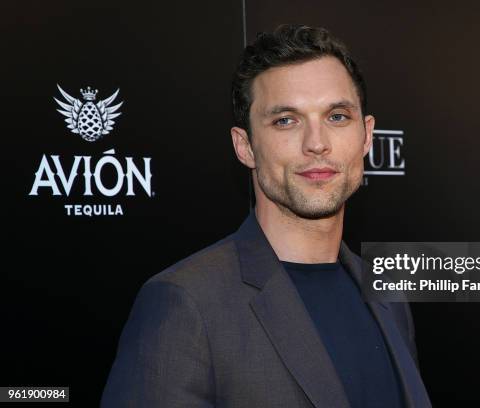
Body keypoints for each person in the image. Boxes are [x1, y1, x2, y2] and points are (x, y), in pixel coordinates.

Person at [101, 24, 431, 408]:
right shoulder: (188, 304)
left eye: (337, 116)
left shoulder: (389, 297)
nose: (317, 143)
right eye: (286, 121)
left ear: (367, 135)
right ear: (245, 147)